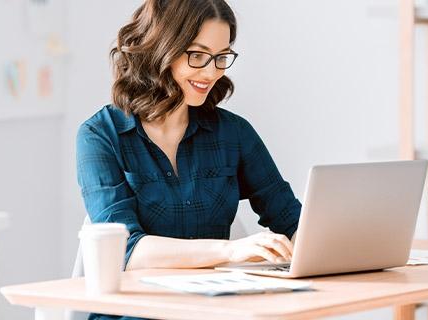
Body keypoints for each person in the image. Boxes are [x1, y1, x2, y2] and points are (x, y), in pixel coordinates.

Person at [76, 1, 301, 319]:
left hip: (214, 311)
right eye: (198, 55)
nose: (211, 72)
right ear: (161, 48)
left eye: (221, 57)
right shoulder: (101, 135)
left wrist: (335, 248)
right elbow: (126, 249)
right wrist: (231, 250)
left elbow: (292, 220)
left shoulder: (233, 133)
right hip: (135, 314)